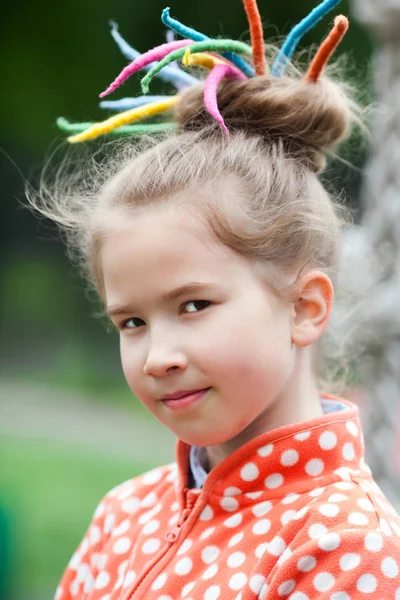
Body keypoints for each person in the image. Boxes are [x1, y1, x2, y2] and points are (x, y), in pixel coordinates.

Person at [28, 0, 400, 598]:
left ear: (305, 307)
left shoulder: (344, 546)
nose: (157, 356)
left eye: (193, 305)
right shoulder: (124, 515)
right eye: (130, 321)